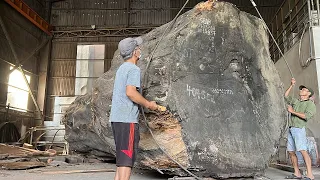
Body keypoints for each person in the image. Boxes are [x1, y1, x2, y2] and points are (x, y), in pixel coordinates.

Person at [109, 37, 158, 180]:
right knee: (126, 160)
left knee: (121, 161)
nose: (140, 50)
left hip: (116, 119)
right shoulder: (133, 69)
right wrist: (149, 104)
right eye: (138, 48)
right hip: (126, 120)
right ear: (135, 52)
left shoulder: (121, 69)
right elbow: (130, 92)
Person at [285, 78, 316, 180]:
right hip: (291, 129)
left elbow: (306, 116)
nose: (301, 90)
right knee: (291, 152)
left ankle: (310, 175)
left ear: (309, 93)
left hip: (299, 129)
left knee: (303, 151)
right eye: (301, 89)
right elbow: (285, 96)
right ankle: (297, 173)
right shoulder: (296, 101)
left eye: (304, 89)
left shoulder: (310, 104)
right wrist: (291, 85)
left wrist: (292, 111)